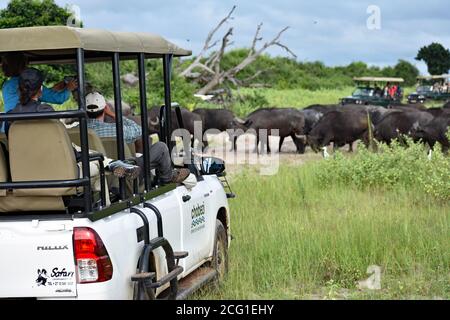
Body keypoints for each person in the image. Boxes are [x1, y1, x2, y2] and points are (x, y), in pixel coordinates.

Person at [3, 68, 141, 183]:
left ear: (20, 89)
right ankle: (107, 185)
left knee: (87, 152)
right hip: (53, 167)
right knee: (95, 161)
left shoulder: (10, 116)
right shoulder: (45, 111)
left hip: (23, 170)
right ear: (40, 88)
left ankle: (110, 163)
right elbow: (57, 141)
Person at [84, 92, 191, 185]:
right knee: (161, 147)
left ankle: (158, 172)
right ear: (105, 109)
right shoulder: (117, 129)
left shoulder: (76, 131)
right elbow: (138, 130)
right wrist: (113, 114)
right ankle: (167, 177)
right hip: (123, 176)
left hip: (91, 174)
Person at [1, 52, 77, 116]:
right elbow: (58, 99)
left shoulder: (6, 85)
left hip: (11, 130)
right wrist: (68, 88)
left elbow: (32, 93)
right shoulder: (30, 82)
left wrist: (52, 89)